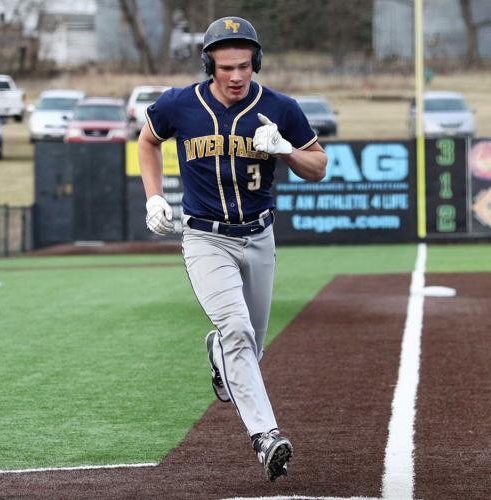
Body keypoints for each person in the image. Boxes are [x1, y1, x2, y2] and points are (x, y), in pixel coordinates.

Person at [138, 16, 327, 481]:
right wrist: (155, 196)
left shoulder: (280, 107)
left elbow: (319, 165)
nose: (237, 75)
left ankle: (219, 356)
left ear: (256, 62)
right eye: (226, 67)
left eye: (245, 65)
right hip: (205, 237)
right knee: (237, 329)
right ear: (209, 66)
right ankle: (265, 437)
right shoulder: (180, 104)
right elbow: (147, 140)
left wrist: (284, 149)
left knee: (250, 350)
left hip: (259, 236)